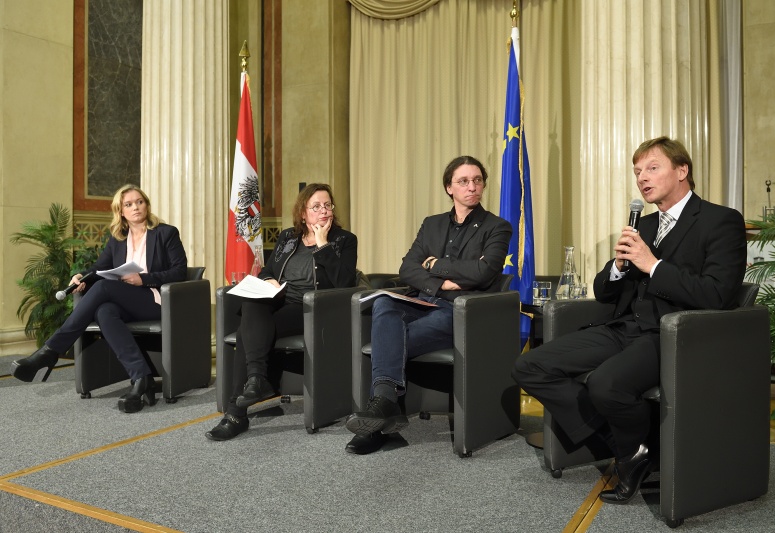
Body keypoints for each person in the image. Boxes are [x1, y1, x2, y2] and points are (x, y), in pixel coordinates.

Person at [512, 137, 746, 504]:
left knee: (605, 385)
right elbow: (603, 291)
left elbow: (717, 295)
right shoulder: (645, 225)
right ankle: (632, 444)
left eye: (652, 168)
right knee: (530, 366)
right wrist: (620, 267)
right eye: (638, 172)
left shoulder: (721, 221)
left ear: (682, 171)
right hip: (622, 328)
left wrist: (652, 265)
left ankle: (631, 448)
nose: (642, 178)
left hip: (672, 335)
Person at [344, 155, 513, 455]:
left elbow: (484, 272)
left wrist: (438, 266)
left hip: (461, 311)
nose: (472, 187)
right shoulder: (432, 224)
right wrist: (444, 281)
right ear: (449, 187)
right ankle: (386, 409)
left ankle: (382, 410)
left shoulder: (497, 227)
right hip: (422, 301)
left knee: (388, 340)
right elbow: (408, 268)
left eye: (477, 180)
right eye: (463, 181)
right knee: (384, 302)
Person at [11, 184, 188, 413]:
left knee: (105, 289)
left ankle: (50, 351)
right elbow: (99, 268)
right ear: (121, 211)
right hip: (127, 300)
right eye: (129, 204)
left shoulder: (166, 233)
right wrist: (82, 278)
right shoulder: (118, 239)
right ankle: (141, 378)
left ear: (147, 205)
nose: (135, 207)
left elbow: (179, 271)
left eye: (139, 202)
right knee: (105, 311)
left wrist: (143, 279)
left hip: (156, 299)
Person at [206, 183, 358, 441]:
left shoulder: (344, 240)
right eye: (316, 206)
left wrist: (323, 247)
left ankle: (236, 412)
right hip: (281, 301)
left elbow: (344, 283)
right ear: (303, 213)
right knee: (252, 304)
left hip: (313, 309)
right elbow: (268, 270)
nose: (324, 211)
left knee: (245, 333)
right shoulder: (288, 237)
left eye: (327, 205)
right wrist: (267, 281)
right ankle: (256, 381)